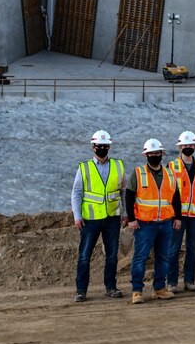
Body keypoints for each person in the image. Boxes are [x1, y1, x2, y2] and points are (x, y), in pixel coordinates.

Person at [72, 130, 126, 302]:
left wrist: (125, 213)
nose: (102, 148)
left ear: (109, 147)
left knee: (111, 255)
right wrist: (77, 216)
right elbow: (76, 192)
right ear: (93, 147)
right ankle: (81, 290)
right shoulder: (85, 167)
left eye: (105, 146)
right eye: (99, 146)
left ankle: (110, 287)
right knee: (84, 256)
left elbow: (123, 191)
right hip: (90, 219)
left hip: (112, 218)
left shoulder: (118, 165)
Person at [126, 139, 182, 304]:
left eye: (157, 153)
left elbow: (176, 197)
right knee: (140, 258)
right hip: (144, 224)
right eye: (151, 154)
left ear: (162, 154)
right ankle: (137, 291)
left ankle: (159, 288)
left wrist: (177, 217)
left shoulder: (169, 174)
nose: (154, 156)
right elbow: (129, 196)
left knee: (163, 257)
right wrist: (131, 219)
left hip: (165, 222)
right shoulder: (138, 173)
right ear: (146, 155)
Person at [166, 131, 195, 293]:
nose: (188, 147)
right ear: (180, 147)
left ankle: (189, 280)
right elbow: (167, 191)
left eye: (191, 145)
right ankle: (171, 282)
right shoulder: (172, 166)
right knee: (174, 248)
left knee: (192, 247)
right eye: (185, 145)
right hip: (178, 215)